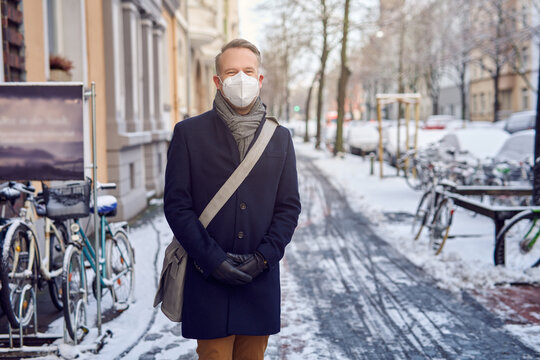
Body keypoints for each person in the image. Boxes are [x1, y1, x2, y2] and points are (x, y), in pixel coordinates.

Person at [163, 38, 301, 360]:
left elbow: (288, 207)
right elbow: (177, 205)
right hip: (206, 278)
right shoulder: (188, 134)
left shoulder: (280, 138)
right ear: (218, 81)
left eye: (248, 71)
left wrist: (264, 258)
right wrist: (212, 260)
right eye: (232, 71)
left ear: (260, 79)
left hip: (260, 280)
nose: (242, 78)